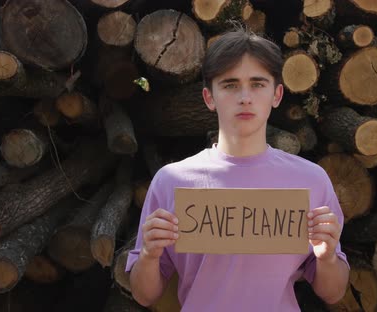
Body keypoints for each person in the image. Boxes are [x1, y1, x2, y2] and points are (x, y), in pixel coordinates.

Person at [126, 28, 349, 311]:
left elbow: (334, 293)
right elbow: (145, 295)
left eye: (257, 84)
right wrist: (148, 255)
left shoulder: (311, 180)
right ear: (209, 98)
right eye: (230, 84)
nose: (245, 97)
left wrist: (327, 258)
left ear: (277, 94)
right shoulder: (172, 181)